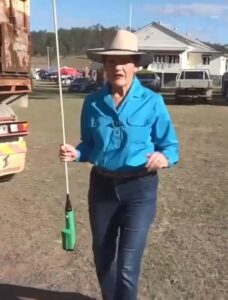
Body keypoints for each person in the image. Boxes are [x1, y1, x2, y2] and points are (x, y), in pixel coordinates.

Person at [59, 29, 179, 300]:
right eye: (111, 61)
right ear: (104, 66)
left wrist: (164, 158)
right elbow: (89, 145)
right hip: (101, 187)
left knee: (127, 263)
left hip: (140, 189)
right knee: (102, 256)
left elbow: (170, 146)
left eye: (124, 60)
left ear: (136, 64)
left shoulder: (153, 102)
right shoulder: (92, 103)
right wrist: (75, 153)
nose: (117, 67)